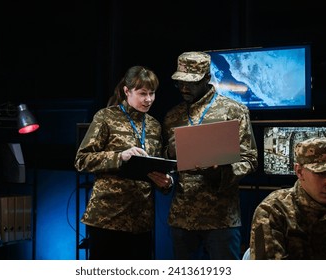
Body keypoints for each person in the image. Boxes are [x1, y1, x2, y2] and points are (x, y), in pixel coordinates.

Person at [163, 51, 258, 259]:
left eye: (192, 82)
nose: (184, 88)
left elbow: (250, 159)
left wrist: (221, 172)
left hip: (221, 217)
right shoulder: (173, 116)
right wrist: (169, 155)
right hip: (182, 216)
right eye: (180, 82)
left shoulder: (233, 111)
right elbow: (165, 164)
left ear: (207, 78)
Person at [74, 66, 173, 260]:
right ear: (127, 91)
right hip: (107, 219)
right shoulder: (106, 117)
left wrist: (167, 183)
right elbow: (81, 160)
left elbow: (159, 166)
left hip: (141, 222)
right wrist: (119, 156)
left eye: (152, 93)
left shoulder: (153, 125)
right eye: (142, 93)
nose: (149, 99)